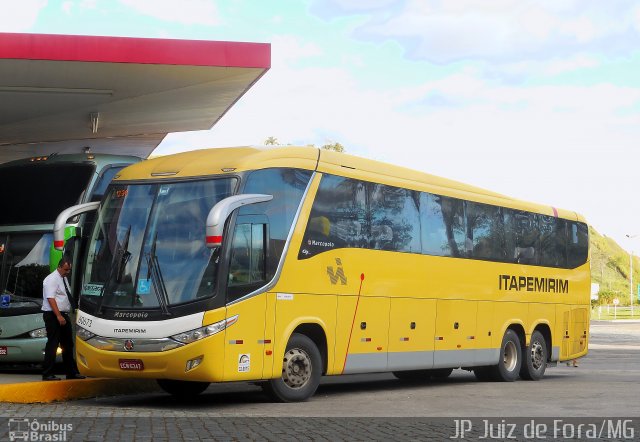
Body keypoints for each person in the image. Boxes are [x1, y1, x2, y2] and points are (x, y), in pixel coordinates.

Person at [41, 257, 85, 381]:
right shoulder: (52, 279)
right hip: (53, 314)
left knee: (68, 344)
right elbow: (51, 298)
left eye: (69, 270)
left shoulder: (63, 278)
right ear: (59, 267)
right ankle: (47, 373)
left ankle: (71, 372)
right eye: (66, 269)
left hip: (63, 314)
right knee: (53, 343)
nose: (67, 272)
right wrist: (58, 316)